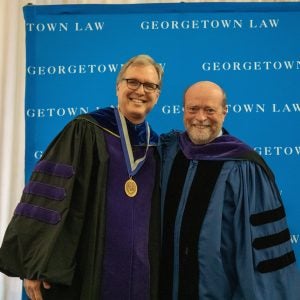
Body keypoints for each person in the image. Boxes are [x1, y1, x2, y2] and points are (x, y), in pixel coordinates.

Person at [0, 54, 163, 300]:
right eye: (133, 82)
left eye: (149, 85)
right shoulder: (85, 130)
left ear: (157, 94)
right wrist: (34, 265)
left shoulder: (157, 147)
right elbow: (48, 199)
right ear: (118, 87)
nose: (140, 91)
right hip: (88, 271)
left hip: (140, 277)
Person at [159, 81, 300, 299]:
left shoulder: (245, 168)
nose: (200, 117)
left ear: (224, 111)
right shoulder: (170, 152)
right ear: (183, 110)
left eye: (210, 110)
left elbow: (262, 251)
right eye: (193, 109)